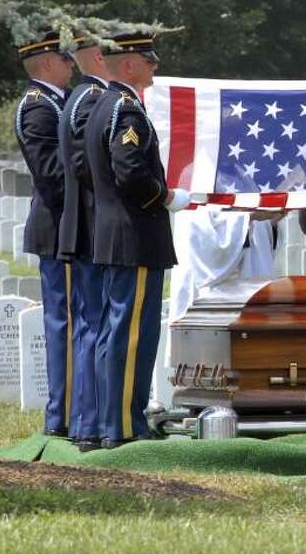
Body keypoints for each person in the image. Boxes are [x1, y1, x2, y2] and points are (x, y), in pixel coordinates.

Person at [84, 32, 188, 449]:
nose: (154, 65)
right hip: (135, 236)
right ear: (129, 64)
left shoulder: (100, 105)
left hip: (114, 234)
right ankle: (124, 428)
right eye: (148, 59)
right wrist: (165, 196)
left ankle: (105, 423)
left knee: (113, 331)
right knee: (130, 335)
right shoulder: (127, 111)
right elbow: (130, 173)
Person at [13, 31, 76, 437]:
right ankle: (63, 415)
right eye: (66, 58)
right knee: (64, 322)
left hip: (67, 226)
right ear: (49, 63)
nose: (73, 64)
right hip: (58, 229)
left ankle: (73, 410)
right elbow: (52, 175)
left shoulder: (57, 103)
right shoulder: (39, 108)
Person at [58, 33, 115, 451]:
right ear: (99, 57)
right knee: (95, 327)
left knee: (89, 328)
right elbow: (87, 168)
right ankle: (92, 423)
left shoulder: (79, 97)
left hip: (85, 227)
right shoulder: (94, 99)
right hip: (94, 229)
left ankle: (86, 421)